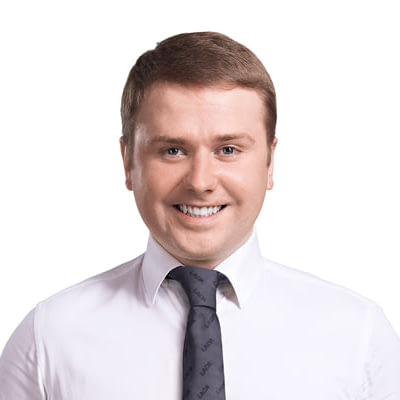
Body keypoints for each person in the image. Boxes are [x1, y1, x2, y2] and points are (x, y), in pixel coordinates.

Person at [0, 31, 399, 400]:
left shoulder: (359, 339)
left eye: (228, 150)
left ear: (269, 161)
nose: (200, 182)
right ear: (128, 161)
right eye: (173, 150)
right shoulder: (48, 340)